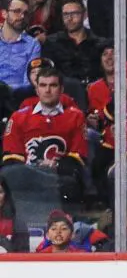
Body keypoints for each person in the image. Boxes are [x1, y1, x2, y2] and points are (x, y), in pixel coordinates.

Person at [2, 66, 87, 206]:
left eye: (53, 85)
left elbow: (78, 158)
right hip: (27, 176)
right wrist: (34, 170)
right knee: (8, 173)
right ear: (37, 90)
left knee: (70, 182)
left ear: (61, 89)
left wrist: (57, 165)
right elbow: (11, 158)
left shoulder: (75, 116)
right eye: (43, 85)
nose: (47, 90)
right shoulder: (18, 117)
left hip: (59, 176)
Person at [41, 0, 106, 84]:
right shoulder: (52, 42)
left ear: (84, 14)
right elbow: (48, 73)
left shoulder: (99, 43)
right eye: (66, 14)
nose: (69, 18)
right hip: (63, 91)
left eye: (74, 13)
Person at [0, 0, 42, 91]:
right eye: (17, 11)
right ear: (4, 13)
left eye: (26, 13)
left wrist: (5, 90)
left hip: (16, 97)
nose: (22, 16)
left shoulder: (33, 45)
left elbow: (29, 81)